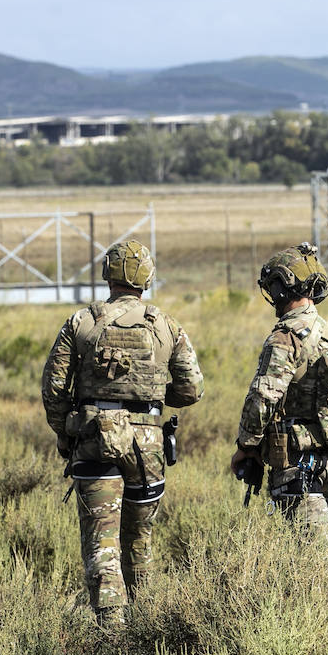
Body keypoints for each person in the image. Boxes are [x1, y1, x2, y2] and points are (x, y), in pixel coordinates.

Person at [40, 240, 204, 630]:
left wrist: (66, 433)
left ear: (107, 274)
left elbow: (54, 389)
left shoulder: (81, 322)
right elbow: (191, 389)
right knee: (139, 541)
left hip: (94, 442)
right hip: (148, 448)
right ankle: (147, 625)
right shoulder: (166, 325)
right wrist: (147, 396)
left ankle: (112, 633)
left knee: (103, 546)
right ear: (146, 278)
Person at [229, 243, 328, 585]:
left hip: (298, 464)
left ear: (281, 288)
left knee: (325, 569)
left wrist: (246, 445)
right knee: (304, 564)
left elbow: (263, 398)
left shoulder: (286, 337)